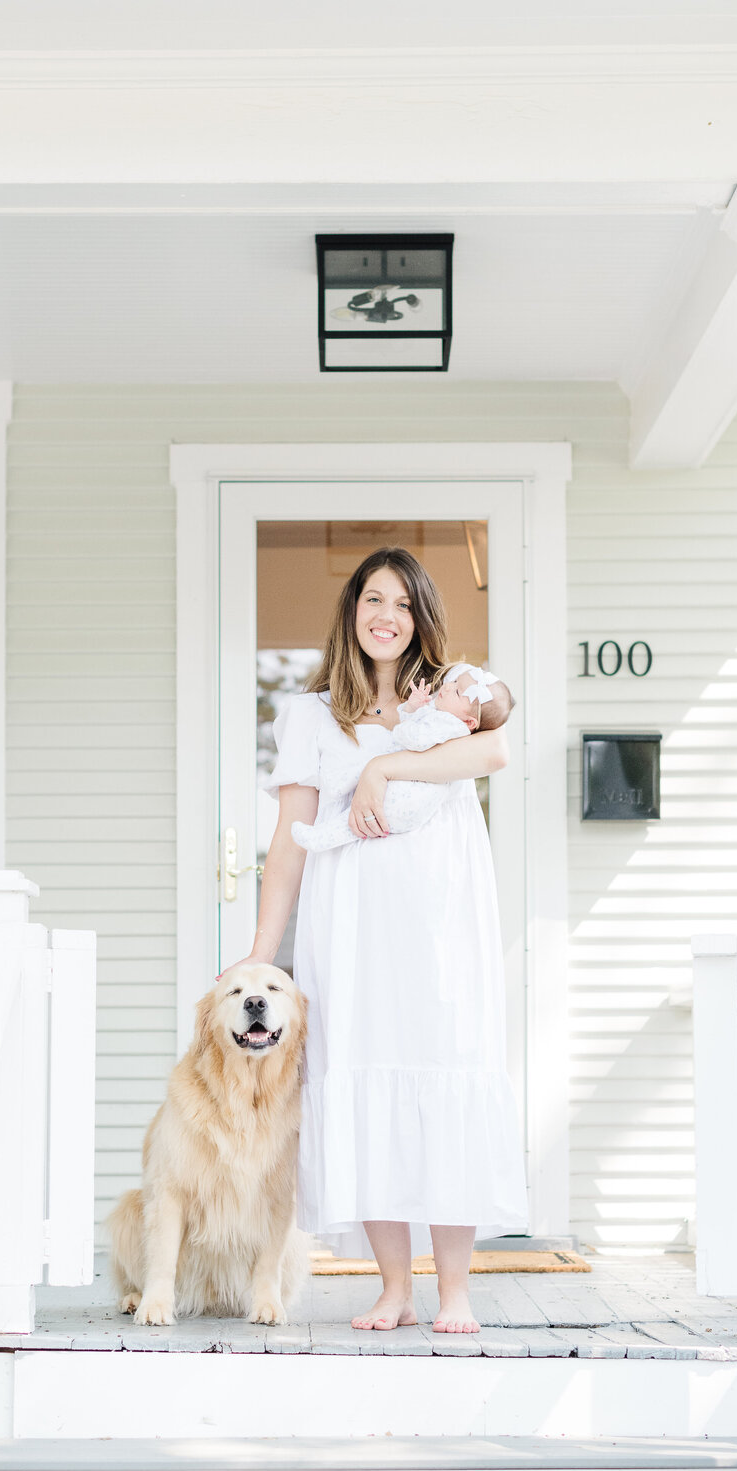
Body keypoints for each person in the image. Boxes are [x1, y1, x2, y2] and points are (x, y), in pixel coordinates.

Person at [220, 546, 529, 1336]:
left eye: (401, 603)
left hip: (441, 922)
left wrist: (382, 769)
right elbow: (290, 841)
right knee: (366, 1080)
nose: (385, 616)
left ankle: (454, 1291)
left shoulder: (453, 698)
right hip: (353, 925)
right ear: (351, 614)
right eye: (371, 601)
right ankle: (394, 1287)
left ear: (421, 617)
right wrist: (262, 948)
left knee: (444, 1073)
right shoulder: (311, 714)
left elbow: (493, 751)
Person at [291, 667, 511, 854]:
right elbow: (415, 731)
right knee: (358, 814)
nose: (447, 687)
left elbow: (413, 739)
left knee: (356, 819)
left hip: (407, 798)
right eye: (453, 682)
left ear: (470, 722)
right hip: (407, 796)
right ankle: (324, 828)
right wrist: (413, 709)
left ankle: (319, 838)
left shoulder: (451, 725)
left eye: (457, 692)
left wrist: (406, 725)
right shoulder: (443, 717)